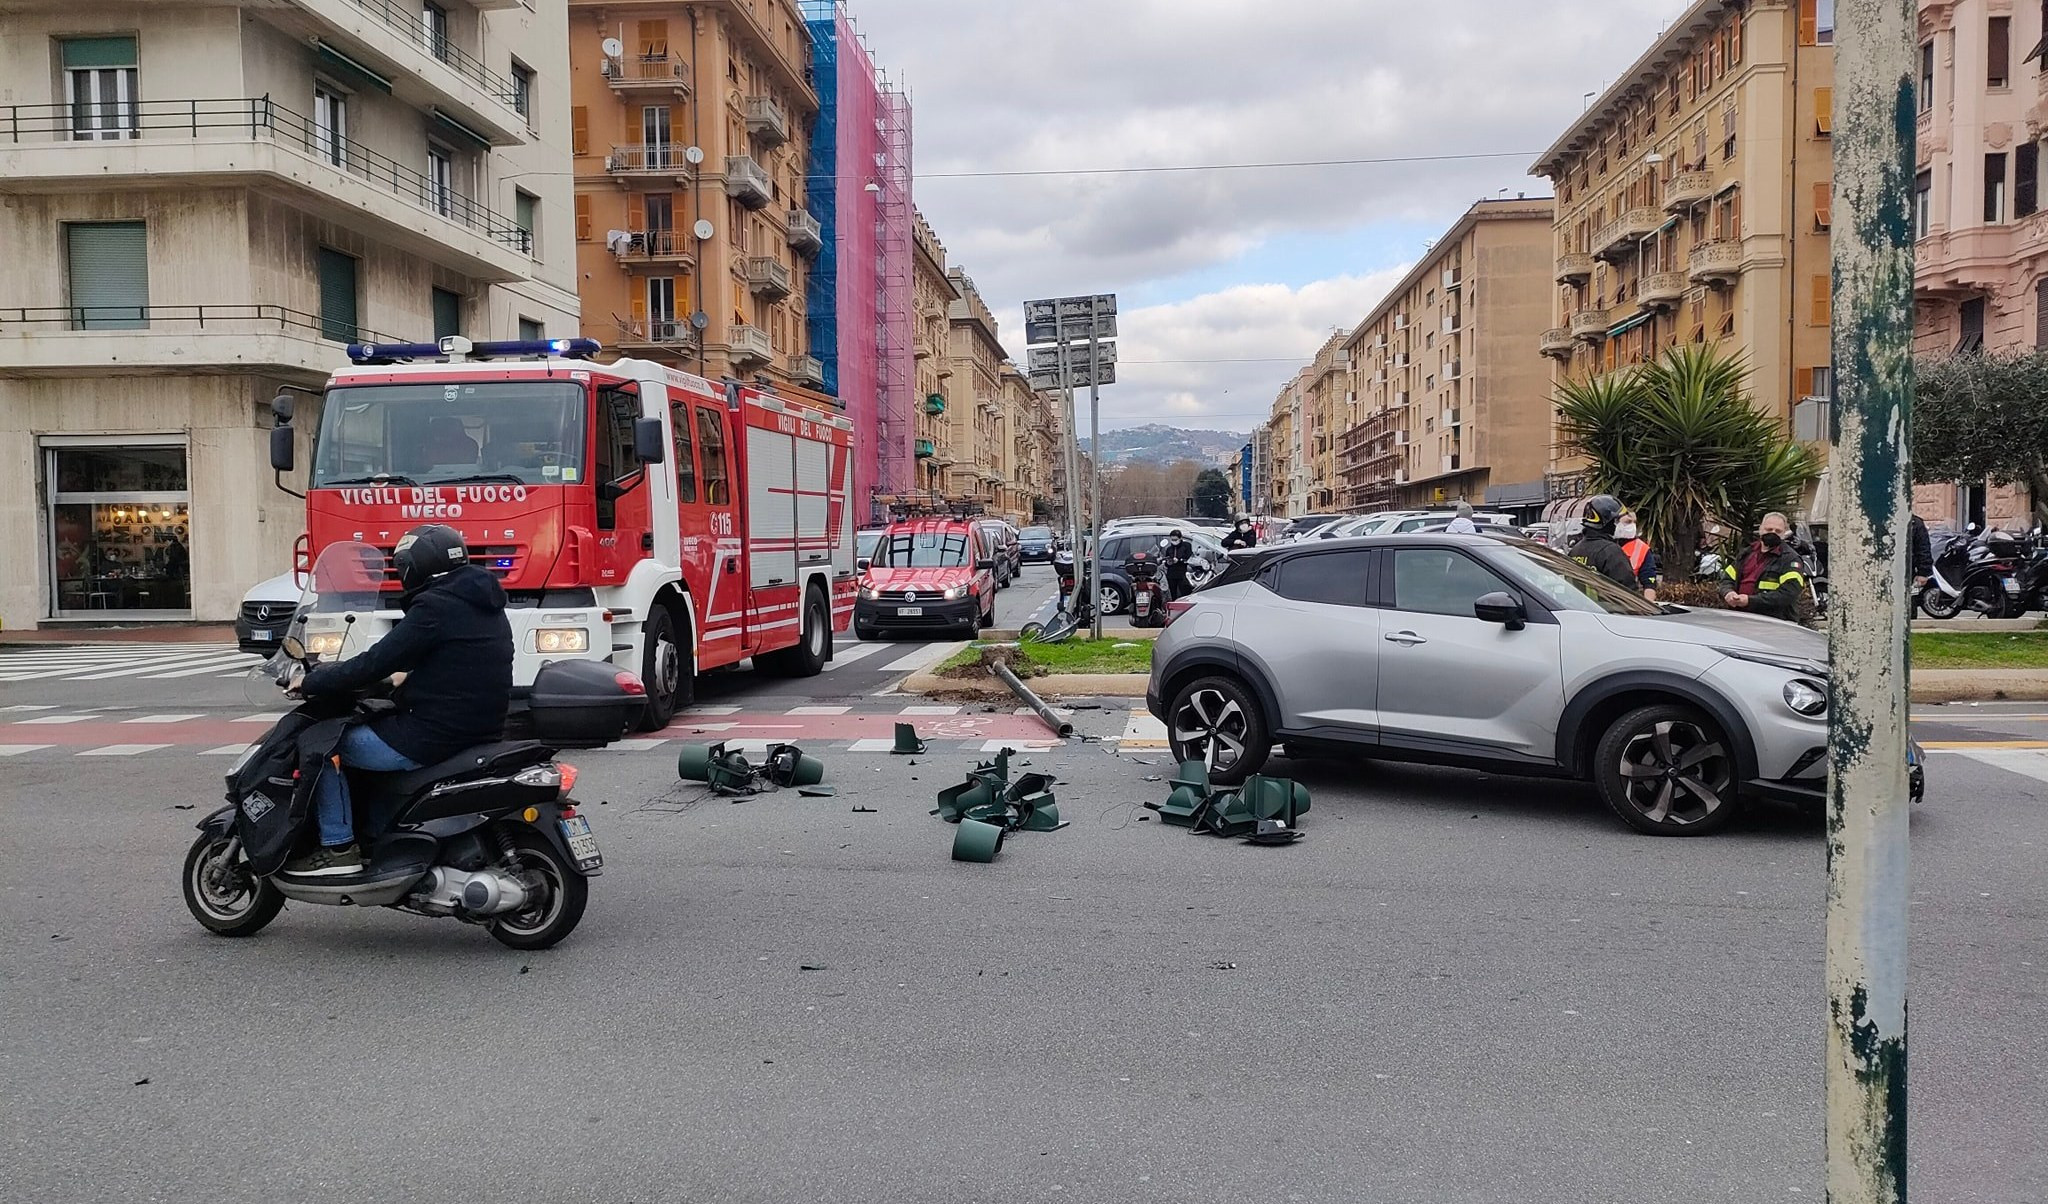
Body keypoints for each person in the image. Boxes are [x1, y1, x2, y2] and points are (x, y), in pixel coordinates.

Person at [282, 525, 515, 878]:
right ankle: (381, 832)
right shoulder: (483, 601)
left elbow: (376, 661)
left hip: (433, 733)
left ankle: (338, 846)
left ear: (414, 568)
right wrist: (401, 679)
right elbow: (458, 662)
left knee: (323, 744)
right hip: (481, 726)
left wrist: (312, 681)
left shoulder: (435, 606)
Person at [1721, 511, 1807, 621]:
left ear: (1784, 533)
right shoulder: (1747, 553)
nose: (1773, 533)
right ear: (1761, 529)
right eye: (1769, 529)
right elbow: (1727, 579)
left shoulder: (1790, 559)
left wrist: (1750, 601)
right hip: (1741, 618)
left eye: (1778, 531)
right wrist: (1728, 592)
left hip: (1774, 622)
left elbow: (1788, 593)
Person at [1568, 495, 1641, 591]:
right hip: (1606, 605)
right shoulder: (1611, 552)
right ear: (1608, 523)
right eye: (1617, 521)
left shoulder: (1575, 550)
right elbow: (1628, 591)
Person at [1616, 509, 1660, 602]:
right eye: (1628, 522)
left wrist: (1648, 605)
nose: (1632, 526)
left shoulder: (1642, 548)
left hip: (1627, 600)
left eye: (1634, 522)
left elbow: (1649, 582)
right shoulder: (1605, 543)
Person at [1158, 529, 1195, 600]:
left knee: (1185, 593)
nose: (1174, 541)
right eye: (1172, 539)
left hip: (1182, 574)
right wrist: (1168, 563)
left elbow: (1189, 558)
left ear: (1180, 538)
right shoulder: (1169, 549)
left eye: (1175, 539)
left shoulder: (1186, 546)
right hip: (1171, 574)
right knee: (1173, 593)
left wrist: (1179, 560)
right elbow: (1167, 560)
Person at [1909, 512, 1933, 592]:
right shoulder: (1915, 523)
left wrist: (1923, 573)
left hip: (1907, 572)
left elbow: (1923, 549)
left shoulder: (1915, 523)